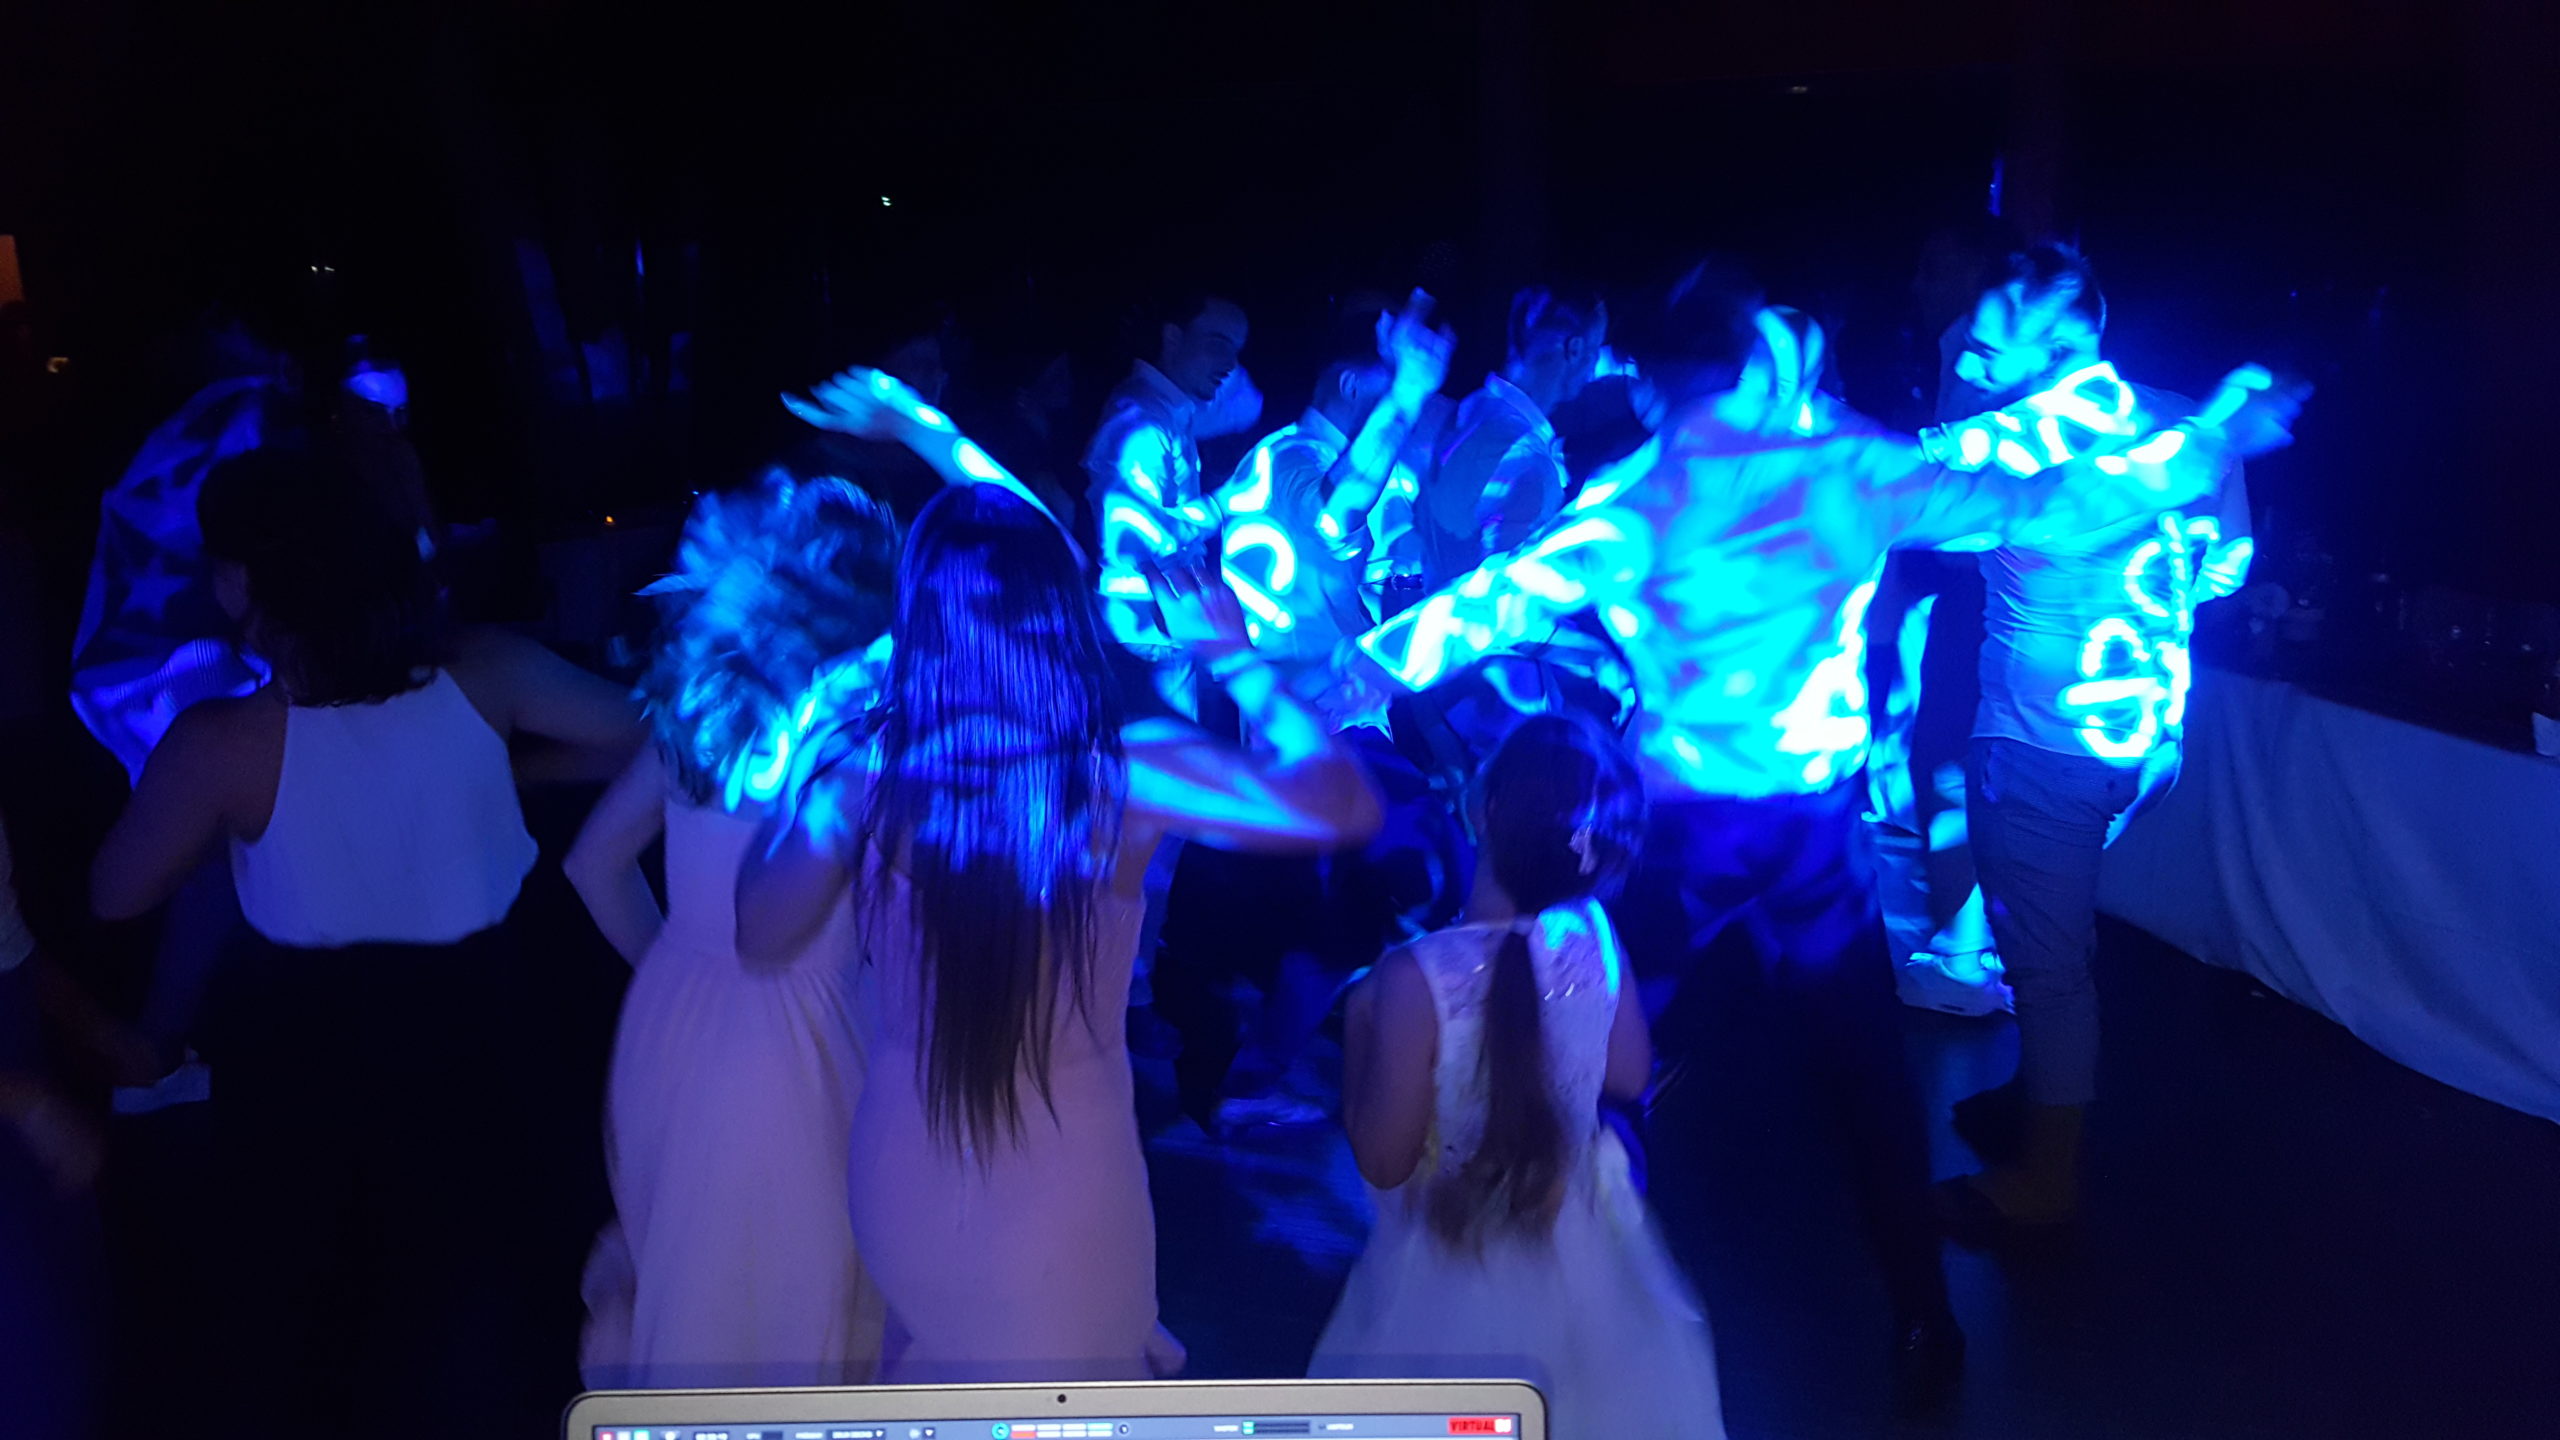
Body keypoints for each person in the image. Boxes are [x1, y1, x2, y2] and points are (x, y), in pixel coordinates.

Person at [1335, 273, 2275, 1402]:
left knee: (1602, 1052)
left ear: (1656, 382)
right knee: (1856, 1075)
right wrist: (2206, 443)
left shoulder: (1637, 502)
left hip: (1689, 834)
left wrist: (1327, 679)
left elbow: (1481, 606)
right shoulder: (1843, 471)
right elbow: (2048, 505)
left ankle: (1553, 1276)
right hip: (1806, 836)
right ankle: (1921, 1320)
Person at [734, 481, 1379, 1381]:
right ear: (1058, 615)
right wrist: (1232, 658)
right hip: (1062, 1185)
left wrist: (811, 761)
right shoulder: (1121, 774)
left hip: (905, 1168)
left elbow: (759, 936)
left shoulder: (862, 776)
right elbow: (1341, 802)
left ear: (920, 619)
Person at [89, 443, 643, 1440]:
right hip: (496, 1023)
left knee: (340, 1323)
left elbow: (115, 891)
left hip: (322, 1051)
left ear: (240, 580)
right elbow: (641, 734)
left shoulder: (222, 741)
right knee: (502, 1308)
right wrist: (500, 774)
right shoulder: (486, 670)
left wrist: (222, 828)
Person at [1936, 245, 2264, 1226]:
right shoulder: (2184, 422)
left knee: (2045, 966)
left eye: (1989, 344)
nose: (1970, 359)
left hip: (2041, 749)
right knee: (2054, 940)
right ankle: (2036, 1098)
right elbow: (2230, 569)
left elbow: (1895, 509)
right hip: (2149, 743)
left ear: (2062, 345)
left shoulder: (1996, 445)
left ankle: (2045, 1185)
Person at [570, 467, 901, 1389]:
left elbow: (592, 863)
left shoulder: (699, 713)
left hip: (670, 1021)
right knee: (784, 1306)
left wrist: (681, 964)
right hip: (793, 1046)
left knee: (693, 1287)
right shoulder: (854, 741)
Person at [1312, 715, 1724, 1437]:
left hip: (1448, 1262)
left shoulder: (1414, 979)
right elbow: (1630, 1073)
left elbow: (1383, 1160)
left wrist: (1360, 1034)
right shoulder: (1592, 933)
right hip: (1580, 1249)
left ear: (1486, 808)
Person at [1083, 291, 1254, 702]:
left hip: (1157, 628)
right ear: (1173, 337)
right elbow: (1132, 535)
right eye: (1218, 343)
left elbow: (1248, 405)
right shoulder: (1142, 419)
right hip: (1145, 634)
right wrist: (1223, 503)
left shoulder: (1168, 412)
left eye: (1237, 350)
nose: (1230, 364)